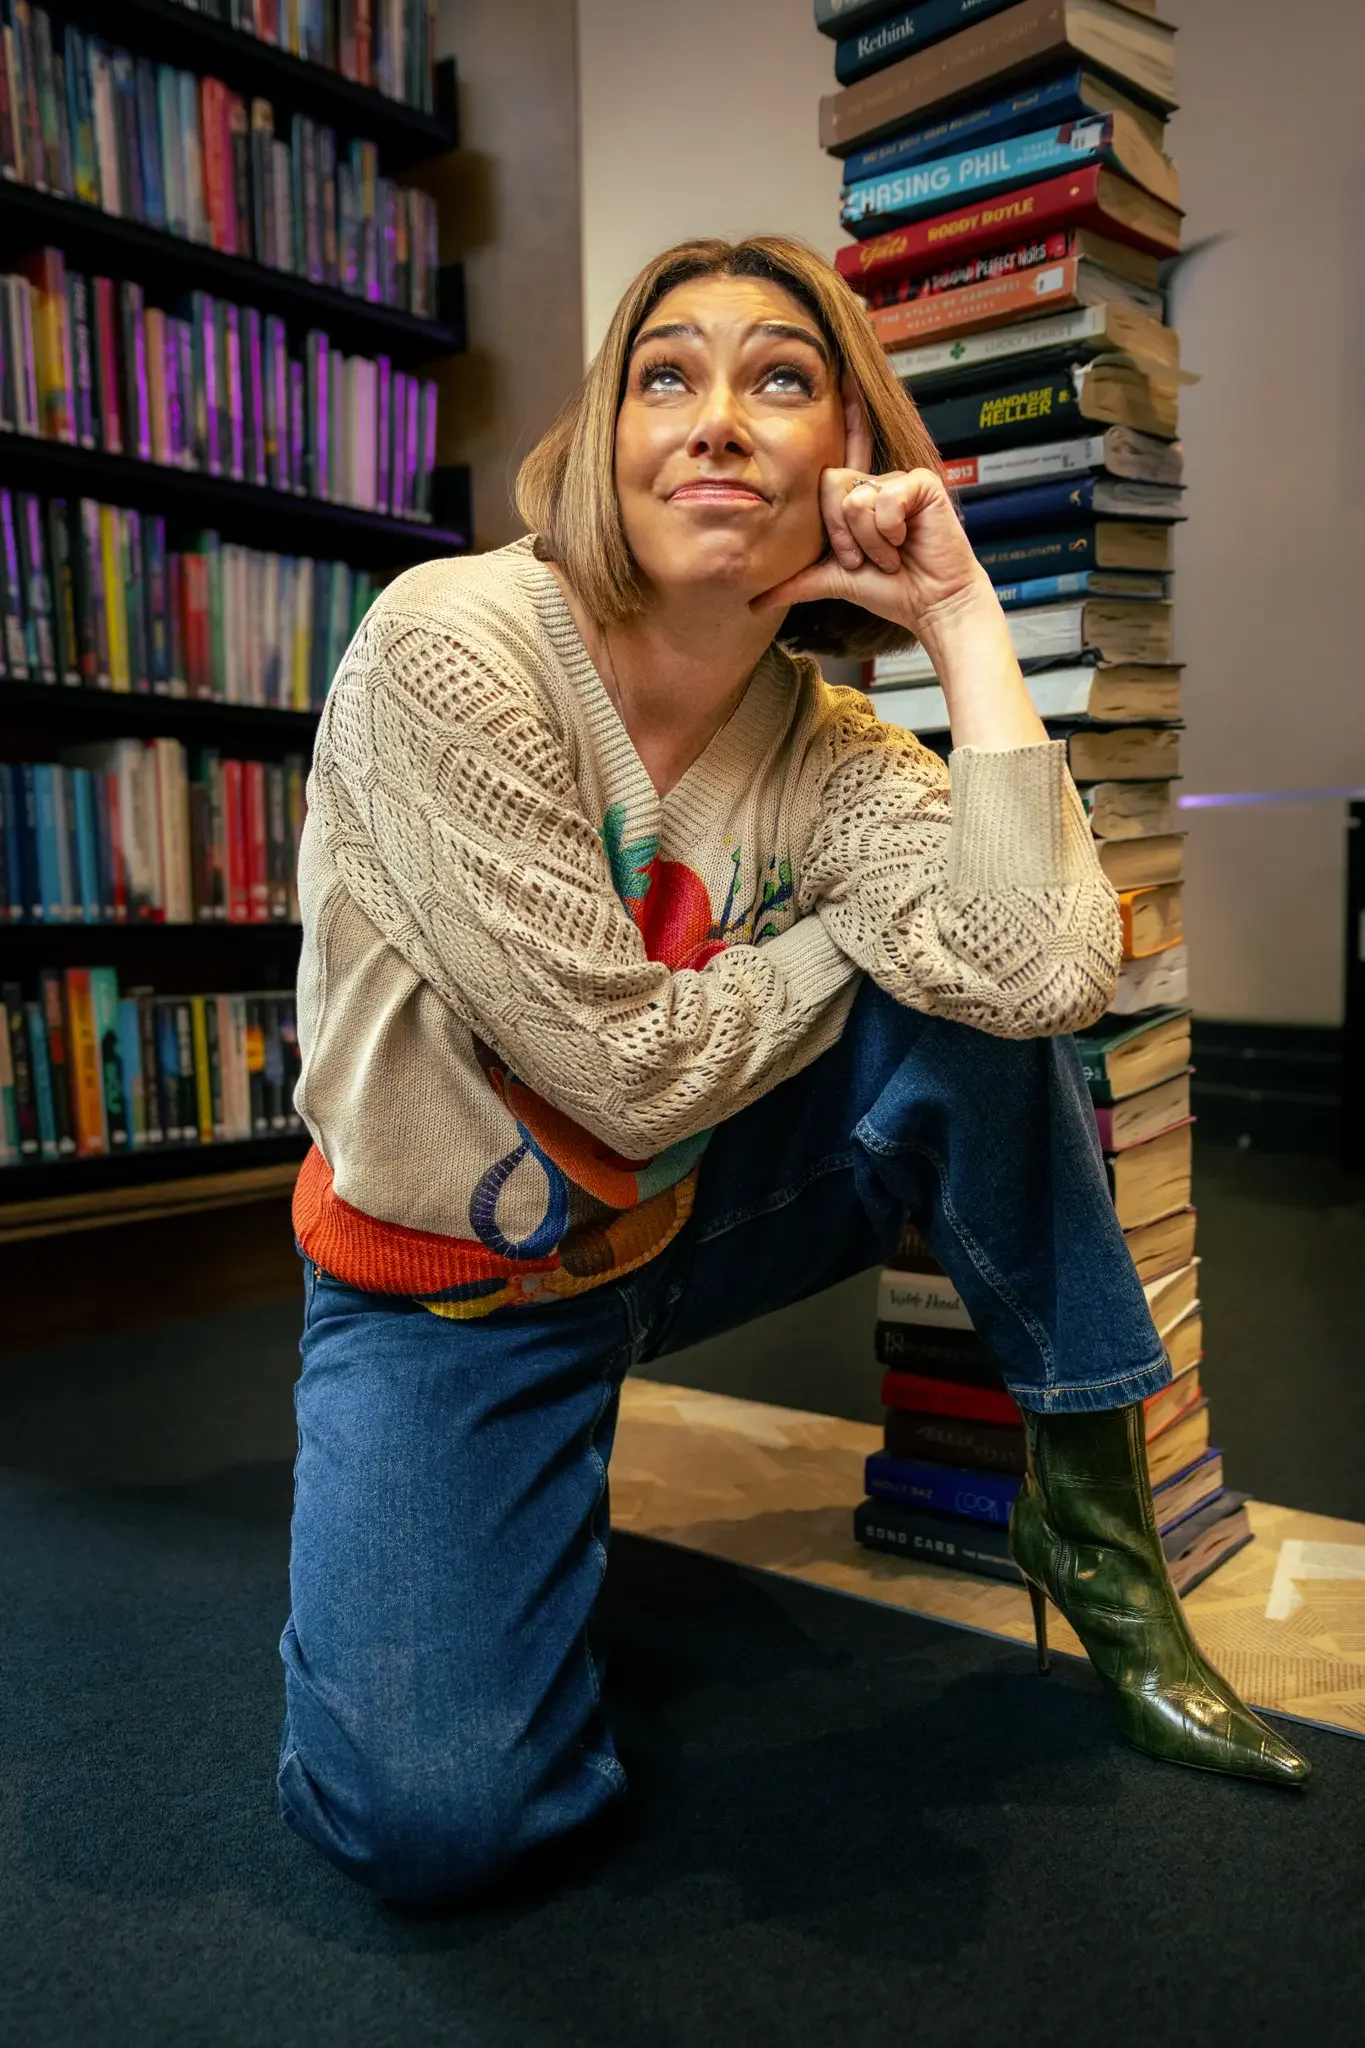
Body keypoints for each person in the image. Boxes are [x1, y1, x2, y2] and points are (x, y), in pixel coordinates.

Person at [279, 235, 1306, 1908]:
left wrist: (967, 617)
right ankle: (431, 1544)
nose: (717, 421)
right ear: (607, 434)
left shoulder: (834, 753)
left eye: (778, 380)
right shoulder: (453, 645)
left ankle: (1099, 1541)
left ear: (845, 460)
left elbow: (1045, 976)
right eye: (666, 375)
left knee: (978, 1000)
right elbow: (620, 1069)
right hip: (448, 1285)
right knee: (434, 1822)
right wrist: (851, 948)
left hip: (685, 1225)